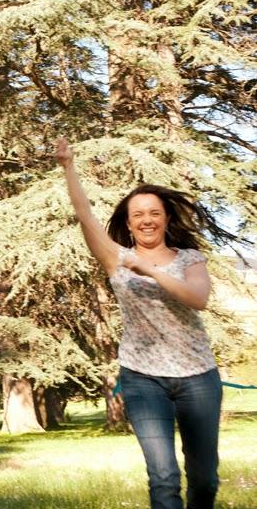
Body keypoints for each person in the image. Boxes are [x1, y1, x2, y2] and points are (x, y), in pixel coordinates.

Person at [56, 137, 223, 509]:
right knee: (163, 477)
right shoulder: (116, 258)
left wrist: (149, 269)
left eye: (154, 213)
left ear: (166, 218)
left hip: (198, 376)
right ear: (129, 224)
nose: (147, 220)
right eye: (138, 215)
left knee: (205, 478)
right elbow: (85, 215)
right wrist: (69, 167)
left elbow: (198, 299)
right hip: (142, 377)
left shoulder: (190, 258)